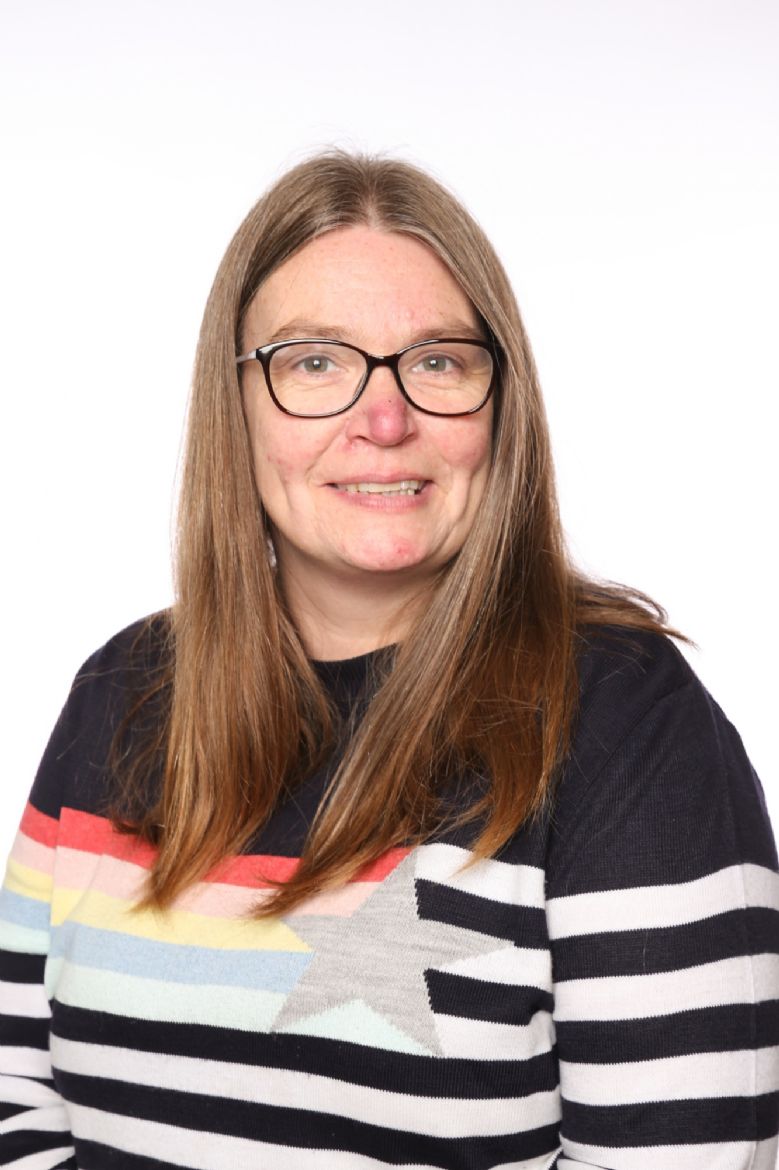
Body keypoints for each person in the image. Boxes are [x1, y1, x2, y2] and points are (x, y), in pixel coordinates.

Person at [0, 151, 777, 1170]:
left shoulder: (623, 721)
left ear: (499, 403)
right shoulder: (124, 689)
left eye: (438, 362)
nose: (384, 419)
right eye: (315, 362)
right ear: (235, 403)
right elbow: (13, 1094)